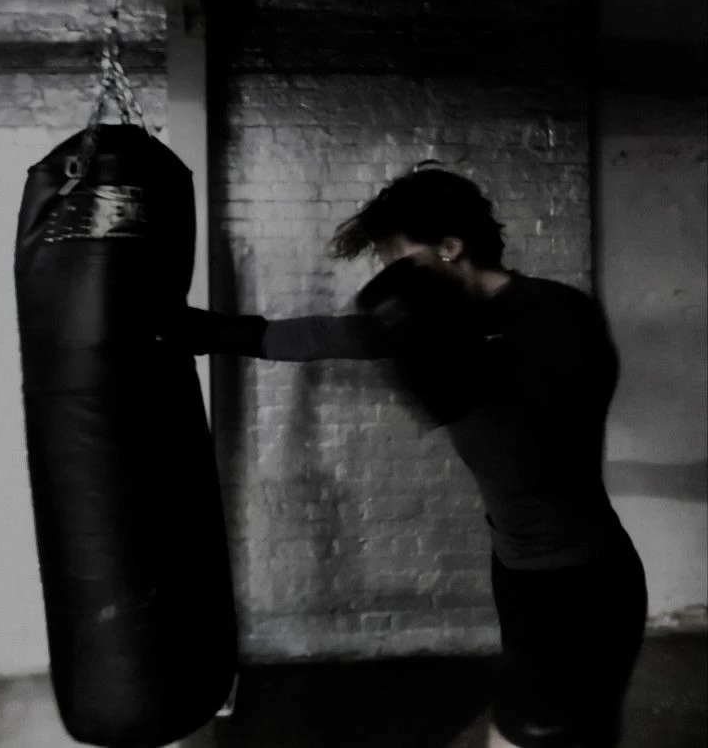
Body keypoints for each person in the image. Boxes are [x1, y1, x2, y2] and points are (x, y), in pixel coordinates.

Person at [164, 165, 648, 748]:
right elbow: (319, 335)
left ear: (450, 247)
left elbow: (535, 457)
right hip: (518, 573)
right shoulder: (437, 326)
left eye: (399, 261)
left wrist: (441, 359)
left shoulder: (556, 315)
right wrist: (203, 331)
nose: (389, 277)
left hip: (580, 586)